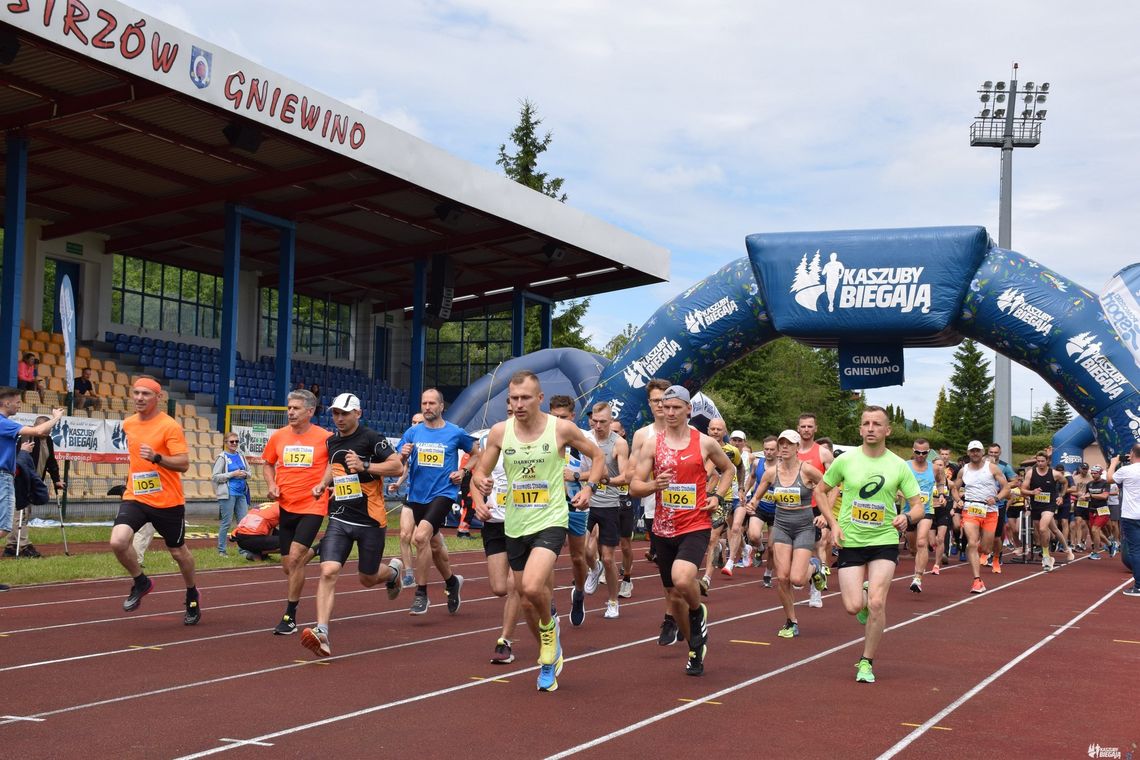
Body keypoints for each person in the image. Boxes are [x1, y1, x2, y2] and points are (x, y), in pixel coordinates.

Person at [473, 370, 603, 691]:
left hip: (551, 519)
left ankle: (548, 641)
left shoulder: (561, 429)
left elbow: (597, 456)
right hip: (515, 525)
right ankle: (550, 649)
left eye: (525, 398)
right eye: (513, 399)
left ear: (540, 398)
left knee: (531, 588)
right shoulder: (501, 433)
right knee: (529, 602)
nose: (518, 404)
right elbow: (480, 471)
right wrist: (480, 485)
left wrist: (590, 487)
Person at [815, 406, 924, 684]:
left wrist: (906, 517)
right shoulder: (846, 460)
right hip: (851, 540)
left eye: (877, 423)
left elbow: (918, 506)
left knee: (877, 603)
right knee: (853, 607)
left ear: (887, 430)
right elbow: (820, 491)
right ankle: (862, 600)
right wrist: (833, 522)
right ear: (860, 429)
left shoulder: (899, 465)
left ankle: (866, 661)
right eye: (866, 423)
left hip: (884, 541)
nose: (871, 428)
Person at [630, 385, 734, 677]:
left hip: (695, 524)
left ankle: (698, 610)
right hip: (663, 529)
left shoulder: (704, 443)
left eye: (677, 407)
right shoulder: (652, 444)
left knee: (682, 577)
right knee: (674, 599)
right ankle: (694, 646)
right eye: (666, 407)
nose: (671, 412)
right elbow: (635, 486)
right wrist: (654, 485)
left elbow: (728, 470)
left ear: (689, 409)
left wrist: (718, 497)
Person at [300, 393, 405, 658]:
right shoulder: (332, 440)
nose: (339, 418)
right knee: (328, 570)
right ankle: (322, 631)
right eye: (335, 413)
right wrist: (324, 483)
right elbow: (331, 464)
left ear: (358, 413)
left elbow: (396, 466)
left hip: (370, 520)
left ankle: (392, 573)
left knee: (367, 578)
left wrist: (364, 465)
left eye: (344, 413)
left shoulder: (372, 438)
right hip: (340, 517)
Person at [107, 376, 200, 624]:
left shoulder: (169, 426)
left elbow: (184, 464)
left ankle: (192, 592)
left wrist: (158, 458)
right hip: (136, 496)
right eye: (136, 393)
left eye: (146, 394)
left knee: (179, 553)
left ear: (158, 398)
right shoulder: (128, 424)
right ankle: (141, 581)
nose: (139, 398)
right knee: (118, 541)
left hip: (167, 500)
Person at [397, 388, 476, 615]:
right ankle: (452, 582)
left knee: (419, 537)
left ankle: (421, 594)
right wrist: (403, 454)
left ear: (442, 406)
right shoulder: (413, 432)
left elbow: (477, 453)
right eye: (424, 403)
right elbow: (397, 459)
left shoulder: (455, 432)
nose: (428, 407)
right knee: (433, 545)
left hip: (443, 494)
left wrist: (463, 472)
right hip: (417, 496)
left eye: (432, 403)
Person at [261, 388, 331, 635]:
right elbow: (268, 463)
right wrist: (271, 484)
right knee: (288, 566)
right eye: (289, 408)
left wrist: (323, 483)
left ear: (310, 411)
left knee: (295, 556)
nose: (290, 412)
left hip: (313, 505)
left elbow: (335, 464)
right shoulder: (278, 436)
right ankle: (317, 550)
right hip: (286, 506)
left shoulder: (325, 437)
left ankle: (290, 615)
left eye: (296, 408)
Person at [756, 429, 826, 638]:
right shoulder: (772, 472)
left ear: (797, 448)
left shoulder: (808, 470)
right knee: (783, 577)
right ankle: (791, 621)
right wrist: (752, 502)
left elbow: (830, 487)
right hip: (782, 527)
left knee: (797, 579)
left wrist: (824, 513)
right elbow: (759, 492)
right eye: (782, 443)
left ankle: (815, 566)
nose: (784, 447)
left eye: (789, 444)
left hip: (804, 526)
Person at [471, 402, 524, 663]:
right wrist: (479, 501)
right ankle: (541, 599)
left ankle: (505, 641)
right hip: (495, 522)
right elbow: (475, 477)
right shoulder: (494, 439)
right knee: (499, 587)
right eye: (510, 412)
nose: (515, 415)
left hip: (525, 521)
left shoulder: (535, 442)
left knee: (516, 585)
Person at [582, 401, 631, 618]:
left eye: (603, 422)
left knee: (609, 558)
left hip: (610, 504)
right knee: (584, 551)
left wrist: (607, 480)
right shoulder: (585, 440)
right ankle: (594, 569)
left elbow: (625, 477)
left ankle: (612, 601)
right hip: (586, 501)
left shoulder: (618, 444)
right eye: (595, 421)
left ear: (611, 421)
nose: (598, 425)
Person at [548, 395, 594, 627]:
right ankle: (550, 604)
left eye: (563, 417)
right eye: (554, 417)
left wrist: (578, 478)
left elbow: (600, 469)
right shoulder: (544, 436)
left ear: (573, 416)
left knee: (577, 557)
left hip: (575, 505)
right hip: (547, 507)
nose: (559, 421)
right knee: (547, 557)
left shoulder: (584, 439)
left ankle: (578, 593)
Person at [951, 440, 1009, 592]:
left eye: (978, 451)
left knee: (985, 548)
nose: (975, 453)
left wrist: (996, 498)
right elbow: (954, 489)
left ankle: (983, 555)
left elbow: (1006, 487)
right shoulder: (964, 470)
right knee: (972, 542)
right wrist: (958, 500)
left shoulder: (992, 468)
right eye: (972, 451)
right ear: (968, 453)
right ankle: (977, 580)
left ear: (983, 452)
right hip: (970, 509)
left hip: (989, 511)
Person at [5, 416, 62, 558]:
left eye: (49, 429)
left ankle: (12, 546)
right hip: (20, 481)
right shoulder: (27, 437)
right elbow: (18, 459)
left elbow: (51, 462)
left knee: (24, 514)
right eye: (45, 429)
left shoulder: (48, 440)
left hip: (33, 482)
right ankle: (23, 546)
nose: (48, 431)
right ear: (36, 426)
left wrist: (57, 480)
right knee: (20, 514)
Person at [1021, 451, 1074, 571]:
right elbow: (1023, 490)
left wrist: (1061, 496)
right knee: (1054, 529)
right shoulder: (1030, 473)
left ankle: (1046, 556)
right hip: (1036, 505)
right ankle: (1067, 549)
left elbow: (1065, 483)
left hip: (1049, 505)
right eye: (1038, 461)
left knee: (1043, 528)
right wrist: (1032, 492)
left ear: (1048, 461)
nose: (1040, 463)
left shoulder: (1055, 474)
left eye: (1042, 461)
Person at [391, 411, 425, 587]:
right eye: (413, 421)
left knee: (417, 539)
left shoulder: (431, 442)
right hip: (410, 495)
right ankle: (410, 575)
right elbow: (406, 467)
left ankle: (437, 543)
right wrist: (398, 483)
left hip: (428, 498)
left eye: (420, 422)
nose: (415, 425)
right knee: (404, 535)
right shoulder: (409, 443)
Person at [907, 438, 943, 592]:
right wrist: (904, 494)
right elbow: (895, 485)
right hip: (908, 512)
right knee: (913, 547)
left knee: (922, 542)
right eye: (917, 452)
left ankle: (918, 577)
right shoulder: (905, 466)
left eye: (924, 453)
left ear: (929, 452)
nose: (920, 455)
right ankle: (916, 559)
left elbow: (941, 481)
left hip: (926, 510)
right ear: (913, 451)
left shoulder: (934, 468)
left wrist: (941, 494)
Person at [1106, 447, 1140, 596]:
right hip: (1132, 515)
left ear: (1132, 454)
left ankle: (1138, 585)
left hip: (1131, 515)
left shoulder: (1126, 470)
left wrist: (1114, 462)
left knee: (1135, 550)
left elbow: (1109, 478)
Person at [212, 433, 251, 555]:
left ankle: (243, 549)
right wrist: (232, 474)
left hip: (242, 493)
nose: (234, 444)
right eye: (231, 441)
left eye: (236, 441)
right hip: (228, 493)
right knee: (227, 522)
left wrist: (245, 474)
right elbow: (215, 477)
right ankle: (222, 550)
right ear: (226, 443)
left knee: (243, 523)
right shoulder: (222, 457)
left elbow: (249, 473)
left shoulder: (241, 455)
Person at [1081, 465, 1112, 560]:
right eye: (1092, 473)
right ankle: (1110, 544)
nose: (1093, 475)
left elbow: (1104, 496)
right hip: (1092, 510)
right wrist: (1083, 497)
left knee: (1094, 530)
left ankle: (1096, 553)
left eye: (1095, 473)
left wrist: (1091, 495)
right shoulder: (1089, 484)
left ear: (1100, 473)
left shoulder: (1105, 483)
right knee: (1096, 531)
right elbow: (1087, 496)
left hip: (1102, 509)